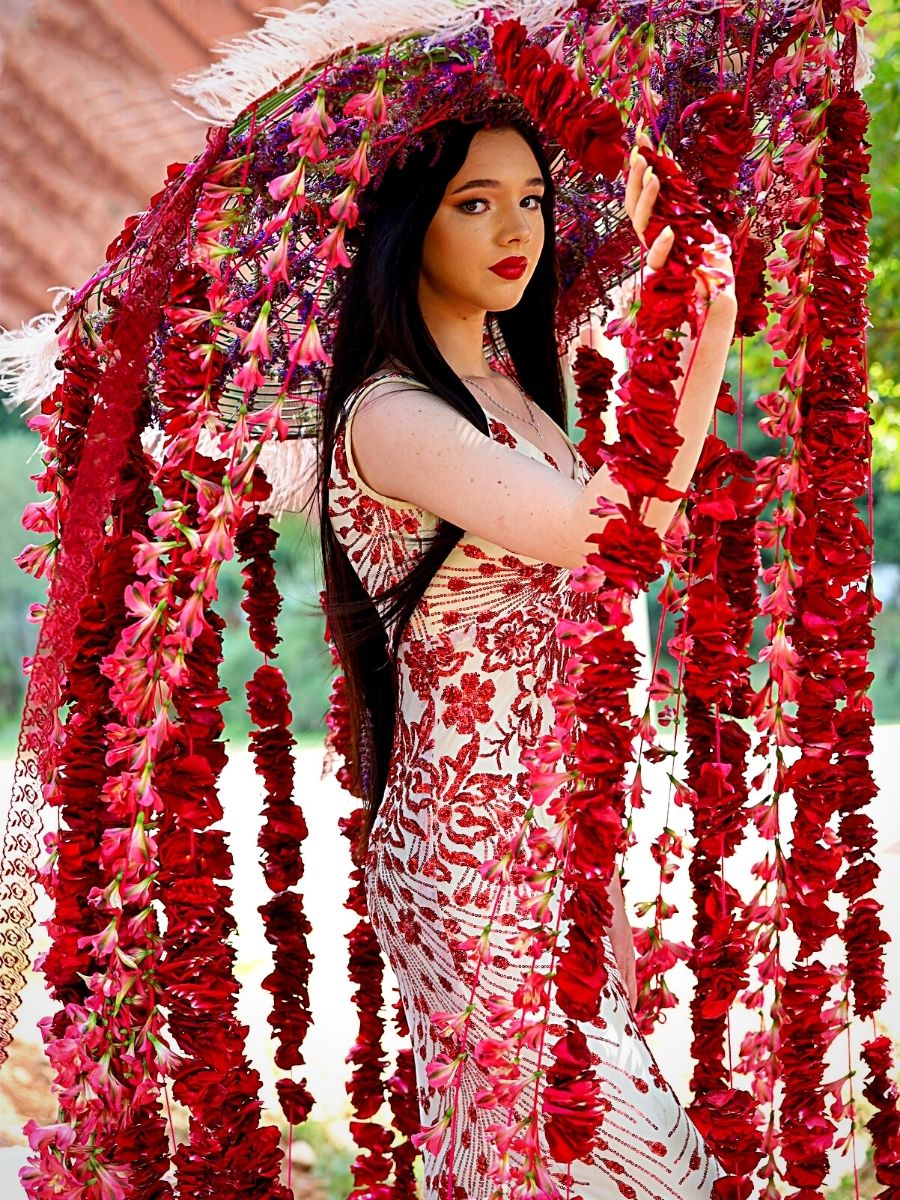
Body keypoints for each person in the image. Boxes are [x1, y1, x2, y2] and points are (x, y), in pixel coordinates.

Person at [317, 104, 737, 1200]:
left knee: (552, 1169)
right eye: (475, 202)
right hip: (465, 864)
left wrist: (596, 897)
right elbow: (605, 530)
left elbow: (626, 542)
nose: (519, 226)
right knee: (626, 1170)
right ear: (409, 227)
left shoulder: (515, 396)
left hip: (550, 841)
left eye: (534, 199)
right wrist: (701, 324)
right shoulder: (390, 414)